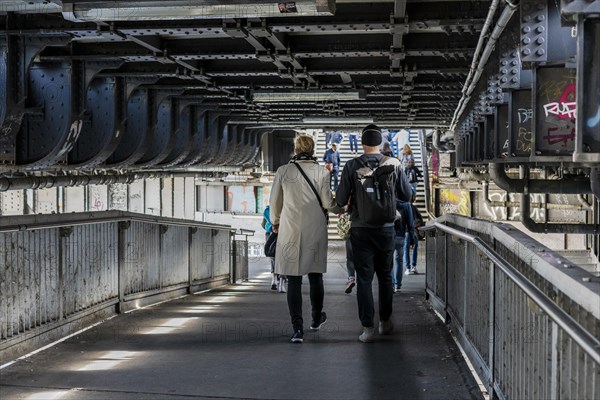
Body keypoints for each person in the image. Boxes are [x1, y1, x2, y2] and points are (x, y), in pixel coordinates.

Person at [336, 124, 413, 343]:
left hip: (360, 229)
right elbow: (407, 196)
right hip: (387, 229)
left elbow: (341, 199)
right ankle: (385, 322)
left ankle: (367, 328)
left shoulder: (352, 165)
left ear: (362, 144)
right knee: (386, 276)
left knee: (364, 279)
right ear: (380, 143)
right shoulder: (394, 164)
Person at [270, 135, 342, 343]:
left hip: (291, 228)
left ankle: (297, 329)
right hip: (315, 228)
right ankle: (316, 319)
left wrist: (275, 222)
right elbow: (328, 203)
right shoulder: (321, 171)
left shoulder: (284, 171)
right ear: (312, 150)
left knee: (293, 278)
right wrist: (341, 208)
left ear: (295, 149)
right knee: (315, 275)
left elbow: (275, 201)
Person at [393, 200, 415, 292]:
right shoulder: (406, 205)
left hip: (388, 235)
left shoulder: (389, 200)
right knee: (399, 260)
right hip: (401, 236)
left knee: (388, 261)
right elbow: (410, 224)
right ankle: (398, 285)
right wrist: (412, 239)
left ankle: (391, 284)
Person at [262, 205, 278, 290]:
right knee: (280, 255)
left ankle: (274, 279)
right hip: (279, 233)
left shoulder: (268, 209)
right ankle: (280, 278)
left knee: (273, 256)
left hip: (270, 233)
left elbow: (264, 223)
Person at [404, 203, 421, 275]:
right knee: (414, 248)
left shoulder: (402, 207)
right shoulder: (414, 207)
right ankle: (414, 266)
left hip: (406, 231)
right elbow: (420, 219)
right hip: (413, 230)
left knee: (406, 249)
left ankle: (408, 268)